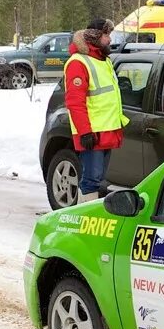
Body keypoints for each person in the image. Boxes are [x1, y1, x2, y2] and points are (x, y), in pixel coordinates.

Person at [62, 16, 129, 199]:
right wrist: (85, 132)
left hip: (106, 130)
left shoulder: (103, 60)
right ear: (96, 37)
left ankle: (90, 216)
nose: (110, 39)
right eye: (107, 35)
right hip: (92, 133)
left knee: (98, 180)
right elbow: (75, 102)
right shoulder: (78, 62)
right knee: (91, 180)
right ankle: (85, 220)